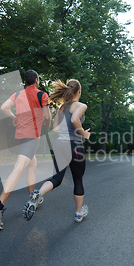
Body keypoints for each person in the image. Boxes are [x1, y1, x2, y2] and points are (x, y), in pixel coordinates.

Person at [0, 70, 51, 230]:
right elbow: (48, 116)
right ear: (36, 80)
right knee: (19, 169)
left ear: (25, 81)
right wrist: (47, 124)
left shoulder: (17, 94)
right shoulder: (42, 95)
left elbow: (4, 107)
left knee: (32, 164)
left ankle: (32, 197)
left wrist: (14, 118)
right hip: (32, 137)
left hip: (20, 136)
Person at [23, 79, 91, 223]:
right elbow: (74, 119)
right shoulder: (81, 105)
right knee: (78, 179)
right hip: (74, 146)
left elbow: (56, 128)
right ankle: (79, 213)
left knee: (56, 179)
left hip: (60, 144)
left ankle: (38, 194)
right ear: (79, 91)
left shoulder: (61, 108)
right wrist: (84, 134)